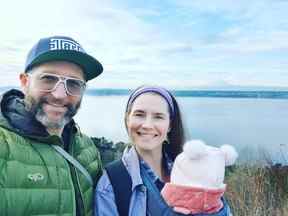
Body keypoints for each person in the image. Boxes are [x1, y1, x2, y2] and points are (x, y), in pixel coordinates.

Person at [0, 35, 103, 216]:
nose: (60, 94)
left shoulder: (87, 149)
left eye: (74, 83)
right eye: (48, 78)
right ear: (25, 82)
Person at [94, 86, 231, 216]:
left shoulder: (195, 169)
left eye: (158, 117)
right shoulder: (112, 183)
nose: (147, 125)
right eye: (139, 114)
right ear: (127, 119)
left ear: (170, 125)